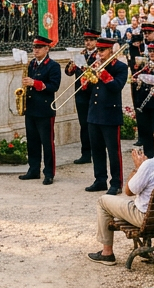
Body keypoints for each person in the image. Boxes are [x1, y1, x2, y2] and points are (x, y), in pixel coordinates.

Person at [88, 122, 154, 265]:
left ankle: (107, 253)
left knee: (103, 201)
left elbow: (128, 191)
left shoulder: (150, 165)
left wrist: (137, 169)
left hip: (148, 218)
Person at [83, 37, 130, 194]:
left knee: (113, 151)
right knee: (97, 149)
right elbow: (91, 91)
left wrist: (103, 74)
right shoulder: (95, 65)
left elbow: (116, 87)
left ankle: (116, 183)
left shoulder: (120, 67)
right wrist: (86, 80)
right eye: (98, 51)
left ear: (111, 50)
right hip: (94, 113)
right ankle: (100, 179)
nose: (99, 53)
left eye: (102, 50)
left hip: (110, 114)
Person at [18, 36, 62, 184]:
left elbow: (53, 86)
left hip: (45, 109)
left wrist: (34, 83)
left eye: (39, 47)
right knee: (32, 141)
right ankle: (33, 169)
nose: (35, 50)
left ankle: (49, 173)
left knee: (47, 143)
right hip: (31, 108)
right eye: (34, 47)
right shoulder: (32, 64)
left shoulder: (53, 66)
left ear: (47, 49)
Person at [64, 30, 100, 165]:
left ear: (96, 41)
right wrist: (72, 64)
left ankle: (96, 151)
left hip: (93, 93)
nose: (88, 43)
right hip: (80, 94)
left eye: (91, 40)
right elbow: (68, 72)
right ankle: (85, 153)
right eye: (86, 40)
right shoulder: (81, 54)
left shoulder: (99, 56)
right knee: (84, 124)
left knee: (94, 124)